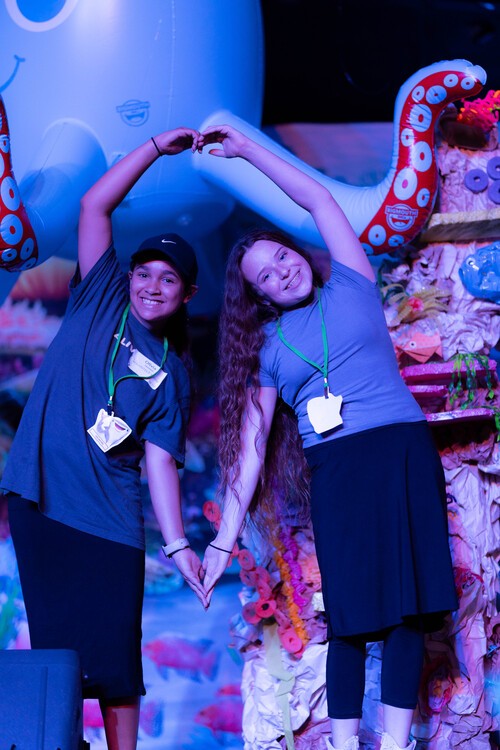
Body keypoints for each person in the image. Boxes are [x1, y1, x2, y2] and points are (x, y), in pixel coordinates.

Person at [199, 124, 458, 750]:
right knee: (350, 619)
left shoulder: (351, 281)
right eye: (266, 276)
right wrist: (223, 540)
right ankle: (344, 745)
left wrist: (248, 150)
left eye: (283, 258)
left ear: (299, 253)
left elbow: (317, 199)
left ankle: (394, 743)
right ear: (259, 296)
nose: (282, 272)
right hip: (337, 472)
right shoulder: (266, 348)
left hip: (400, 453)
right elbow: (252, 448)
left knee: (407, 612)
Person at [2, 128, 208, 750]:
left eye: (167, 280)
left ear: (187, 294)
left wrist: (178, 545)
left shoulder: (173, 371)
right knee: (57, 657)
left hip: (111, 519)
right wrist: (154, 148)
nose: (151, 286)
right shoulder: (102, 297)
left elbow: (161, 462)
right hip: (40, 501)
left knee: (116, 662)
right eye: (144, 273)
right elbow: (95, 204)